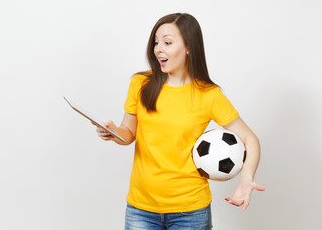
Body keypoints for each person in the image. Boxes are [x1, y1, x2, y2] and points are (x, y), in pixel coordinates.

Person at [94, 13, 265, 230]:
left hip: (190, 211)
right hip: (141, 209)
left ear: (188, 47)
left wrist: (245, 179)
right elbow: (128, 132)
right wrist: (114, 133)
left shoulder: (209, 95)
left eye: (167, 42)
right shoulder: (141, 83)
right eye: (156, 42)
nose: (158, 49)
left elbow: (250, 139)